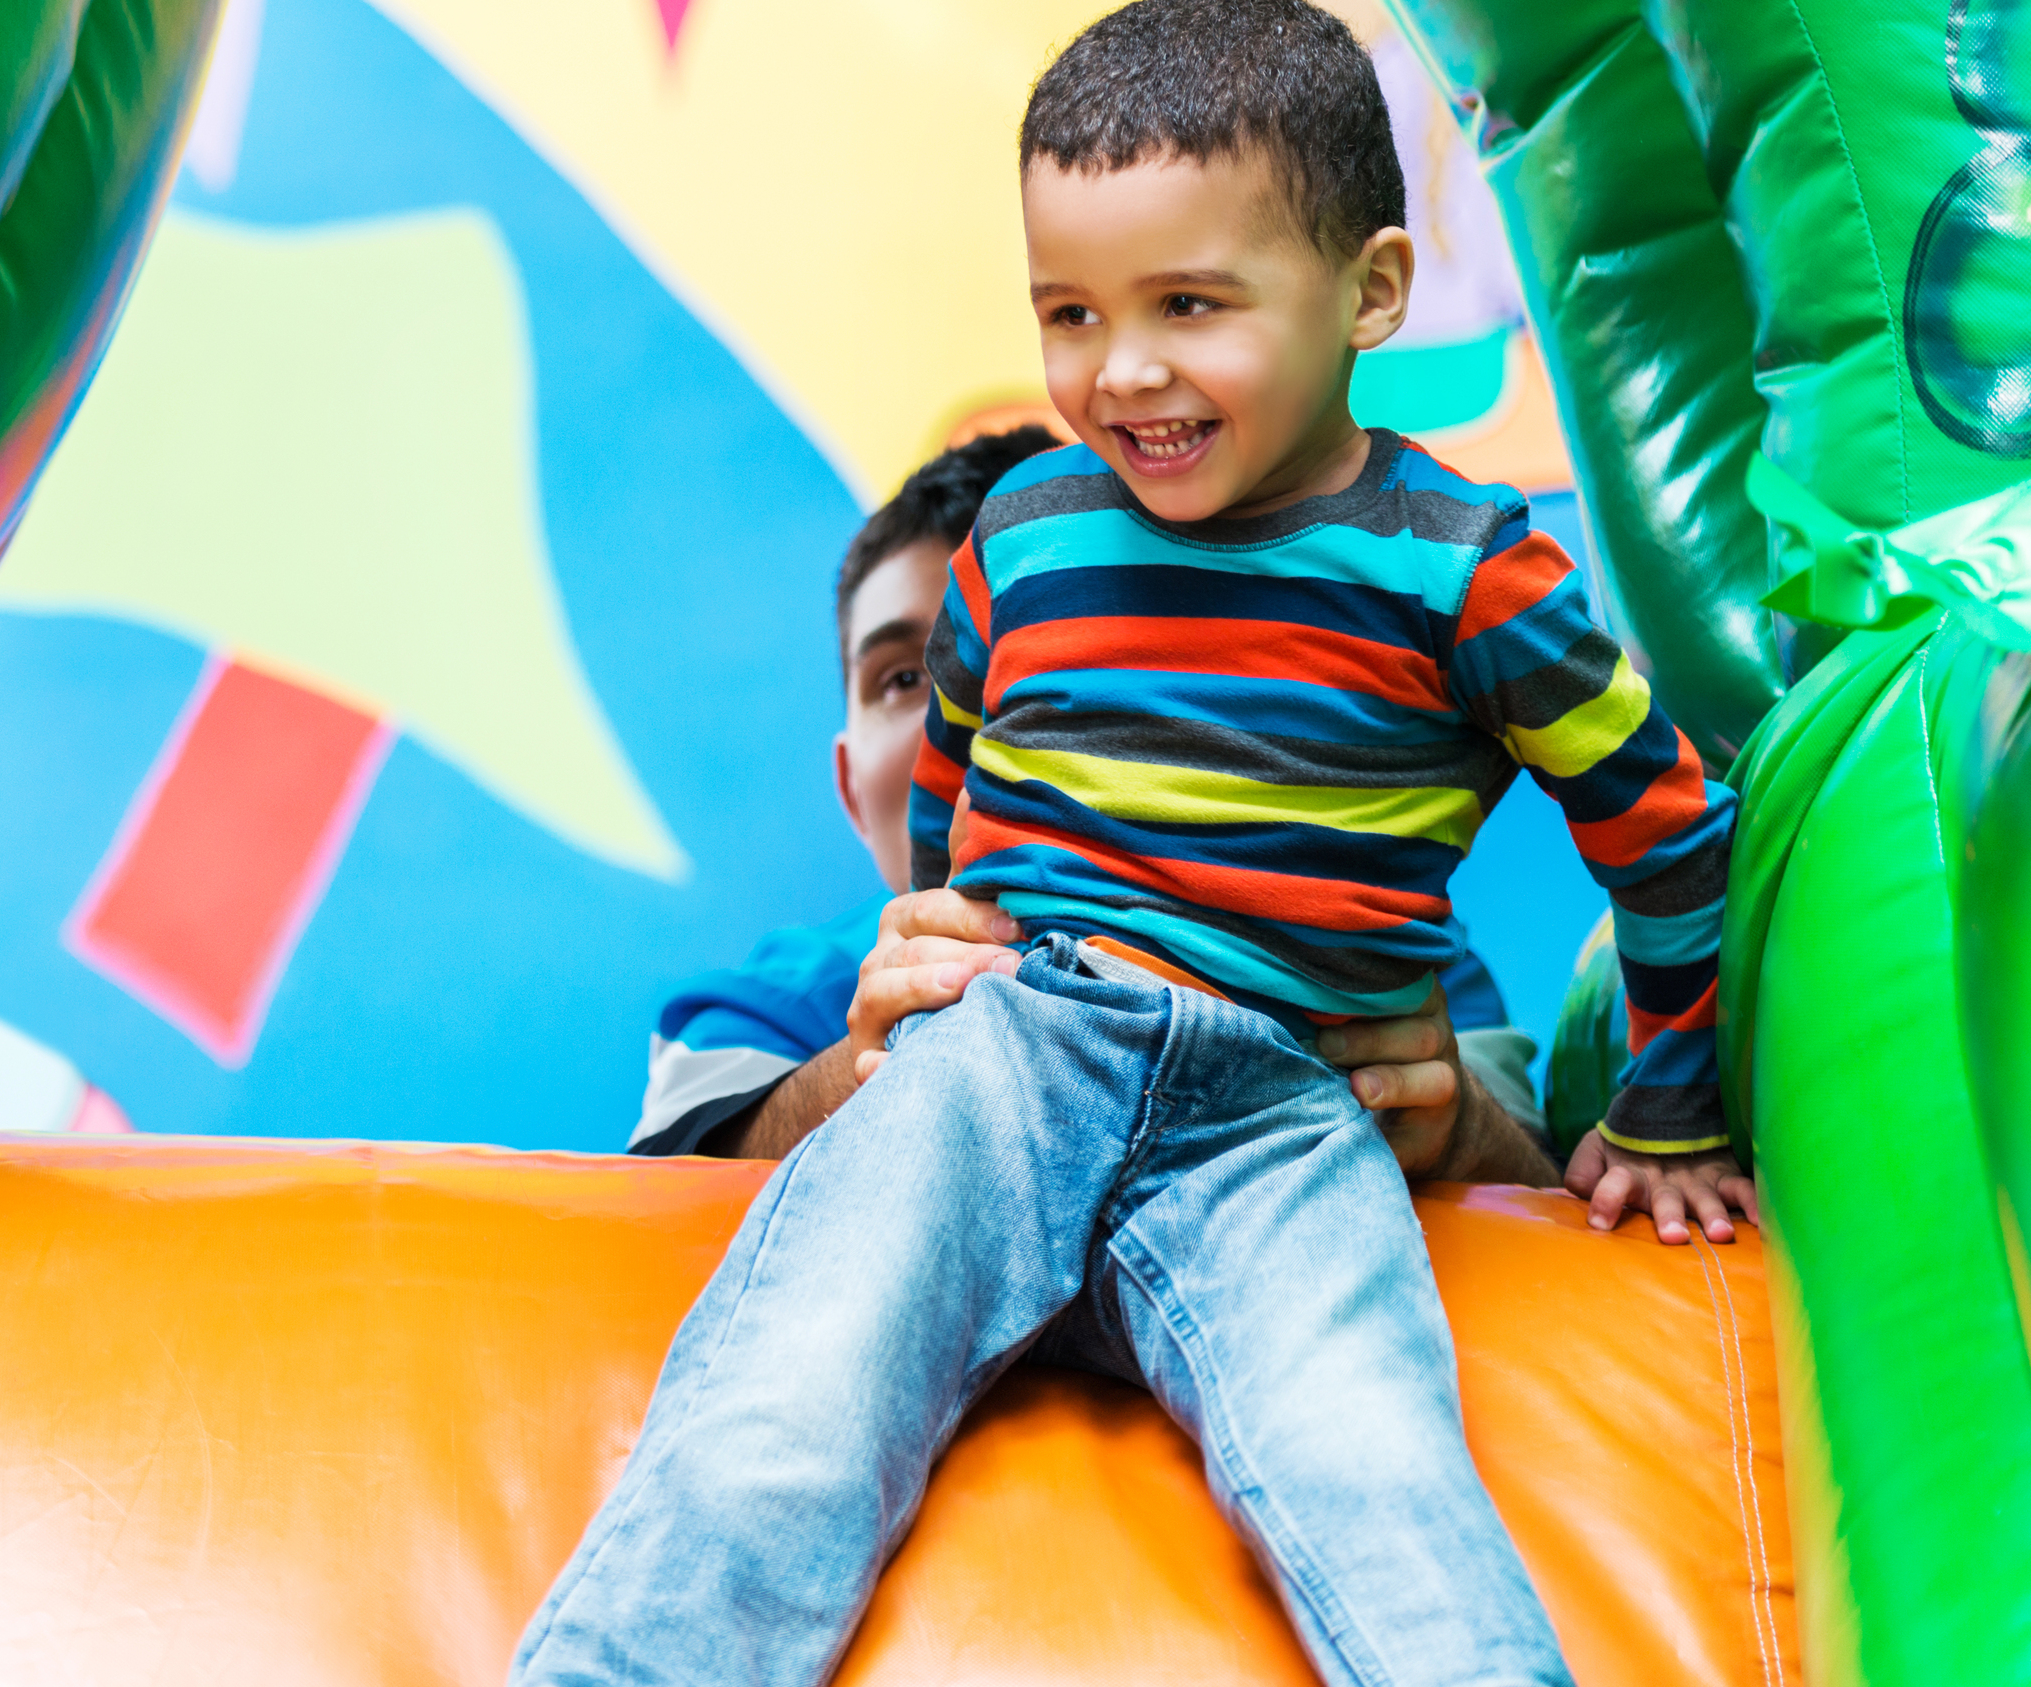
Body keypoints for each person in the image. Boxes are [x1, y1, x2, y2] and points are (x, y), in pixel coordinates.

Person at [411, 0, 1760, 1687]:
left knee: (1358, 1413)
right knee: (810, 1349)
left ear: (1373, 287)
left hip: (1286, 1093)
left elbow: (1666, 826)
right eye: (1067, 314)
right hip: (1018, 1035)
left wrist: (1661, 1103)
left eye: (1189, 307)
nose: (1118, 371)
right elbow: (964, 766)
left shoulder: (1473, 570)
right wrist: (953, 933)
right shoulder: (1026, 533)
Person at [628, 427, 1555, 1182]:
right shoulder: (788, 997)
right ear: (850, 785)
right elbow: (645, 1192)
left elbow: (1536, 1176)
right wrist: (872, 1070)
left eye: (1047, 649)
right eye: (906, 676)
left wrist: (1460, 1124)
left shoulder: (1383, 955)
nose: (981, 706)